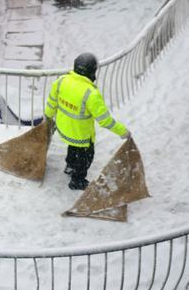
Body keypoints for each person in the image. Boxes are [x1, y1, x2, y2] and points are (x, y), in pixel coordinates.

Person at [44, 53, 130, 190]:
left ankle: (70, 166)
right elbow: (105, 121)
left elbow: (51, 102)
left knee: (73, 147)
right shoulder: (91, 94)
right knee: (85, 156)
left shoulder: (61, 81)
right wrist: (122, 131)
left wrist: (47, 117)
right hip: (81, 134)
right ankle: (77, 181)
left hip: (64, 129)